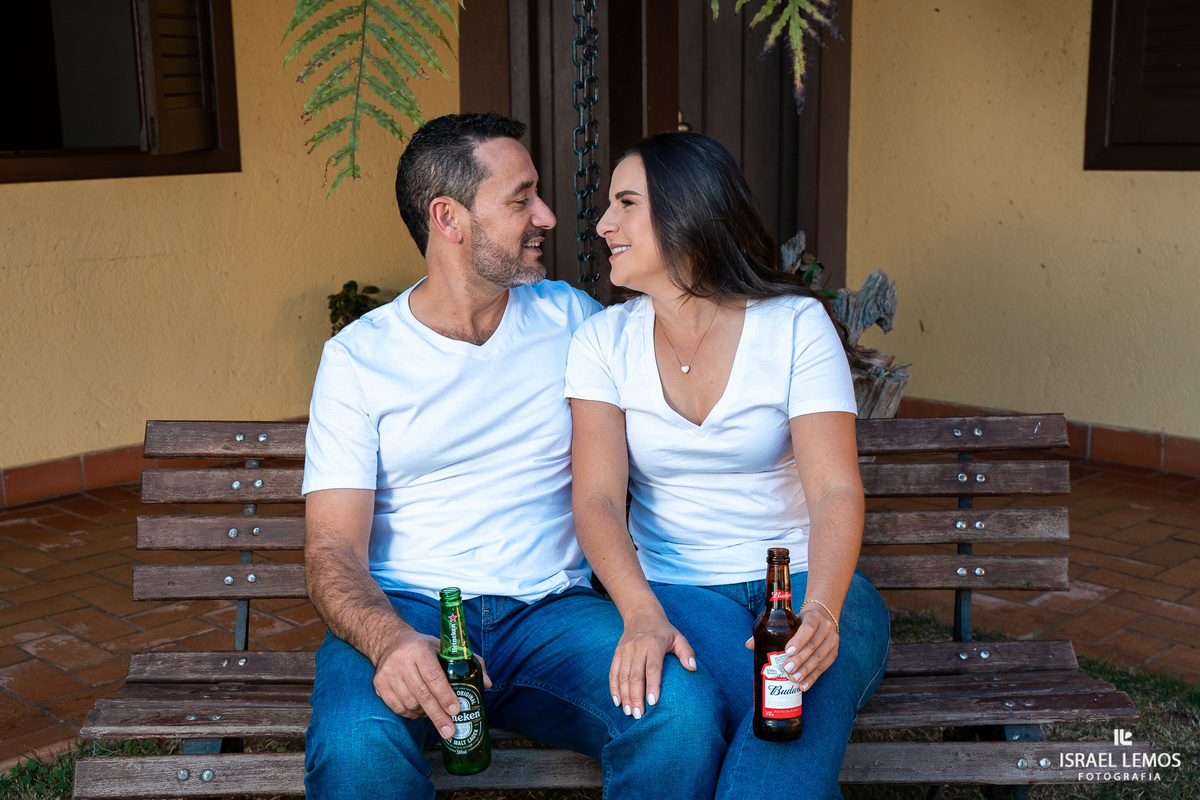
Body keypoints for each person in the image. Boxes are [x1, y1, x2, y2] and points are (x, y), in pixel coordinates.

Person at [301, 114, 725, 800]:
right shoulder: (359, 359)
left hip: (551, 615)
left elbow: (693, 349)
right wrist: (386, 641)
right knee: (356, 748)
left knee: (679, 714)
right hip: (410, 610)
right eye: (520, 198)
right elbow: (330, 550)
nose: (548, 216)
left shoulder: (574, 321)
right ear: (449, 219)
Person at [565, 131, 892, 799]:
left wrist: (823, 614)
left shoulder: (796, 325)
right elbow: (596, 499)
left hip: (812, 583)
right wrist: (639, 612)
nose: (604, 224)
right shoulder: (602, 341)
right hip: (681, 592)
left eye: (626, 203)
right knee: (777, 709)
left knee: (795, 693)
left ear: (687, 214)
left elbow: (834, 490)